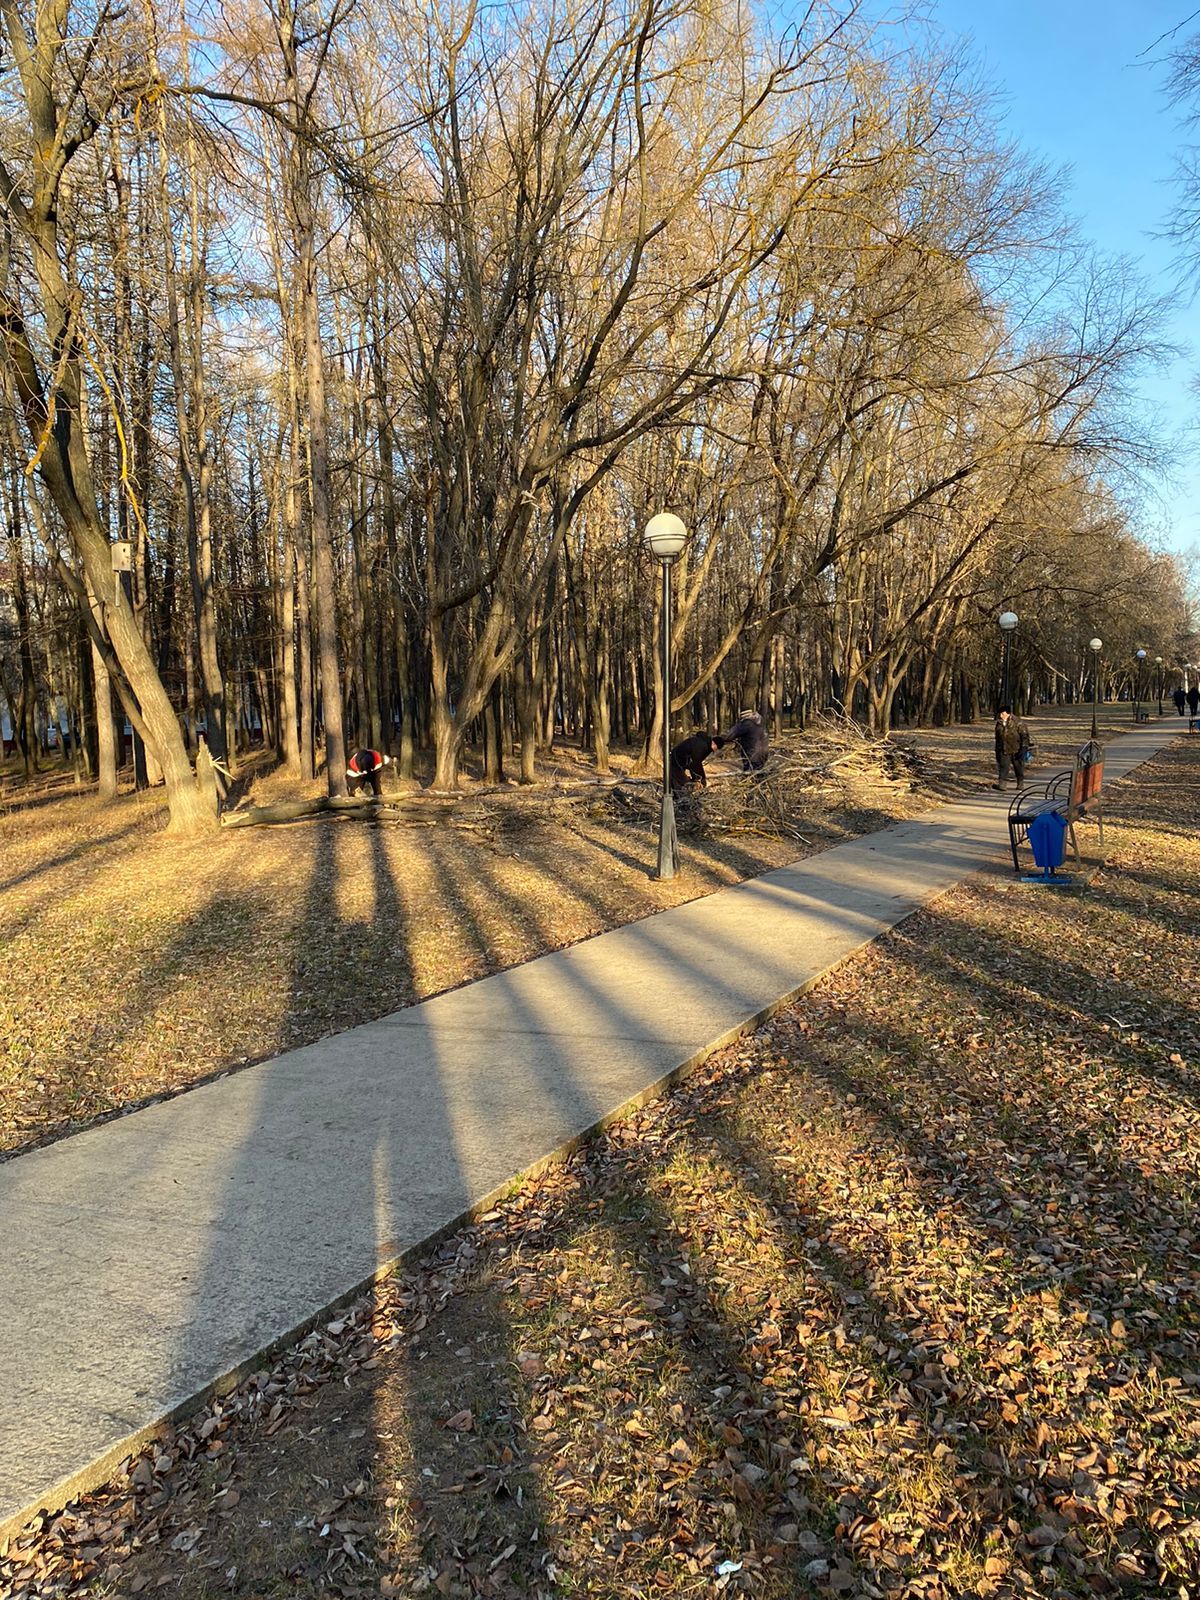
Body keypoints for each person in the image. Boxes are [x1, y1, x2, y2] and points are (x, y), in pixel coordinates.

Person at [993, 706, 1030, 790]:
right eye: (1000, 714)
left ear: (1008, 713)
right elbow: (997, 738)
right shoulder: (999, 723)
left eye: (1003, 713)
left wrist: (1024, 747)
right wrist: (997, 750)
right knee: (1003, 766)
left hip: (1016, 748)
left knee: (1018, 767)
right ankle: (1002, 784)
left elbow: (1025, 736)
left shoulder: (1018, 722)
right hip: (1003, 749)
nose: (1001, 715)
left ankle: (1020, 783)